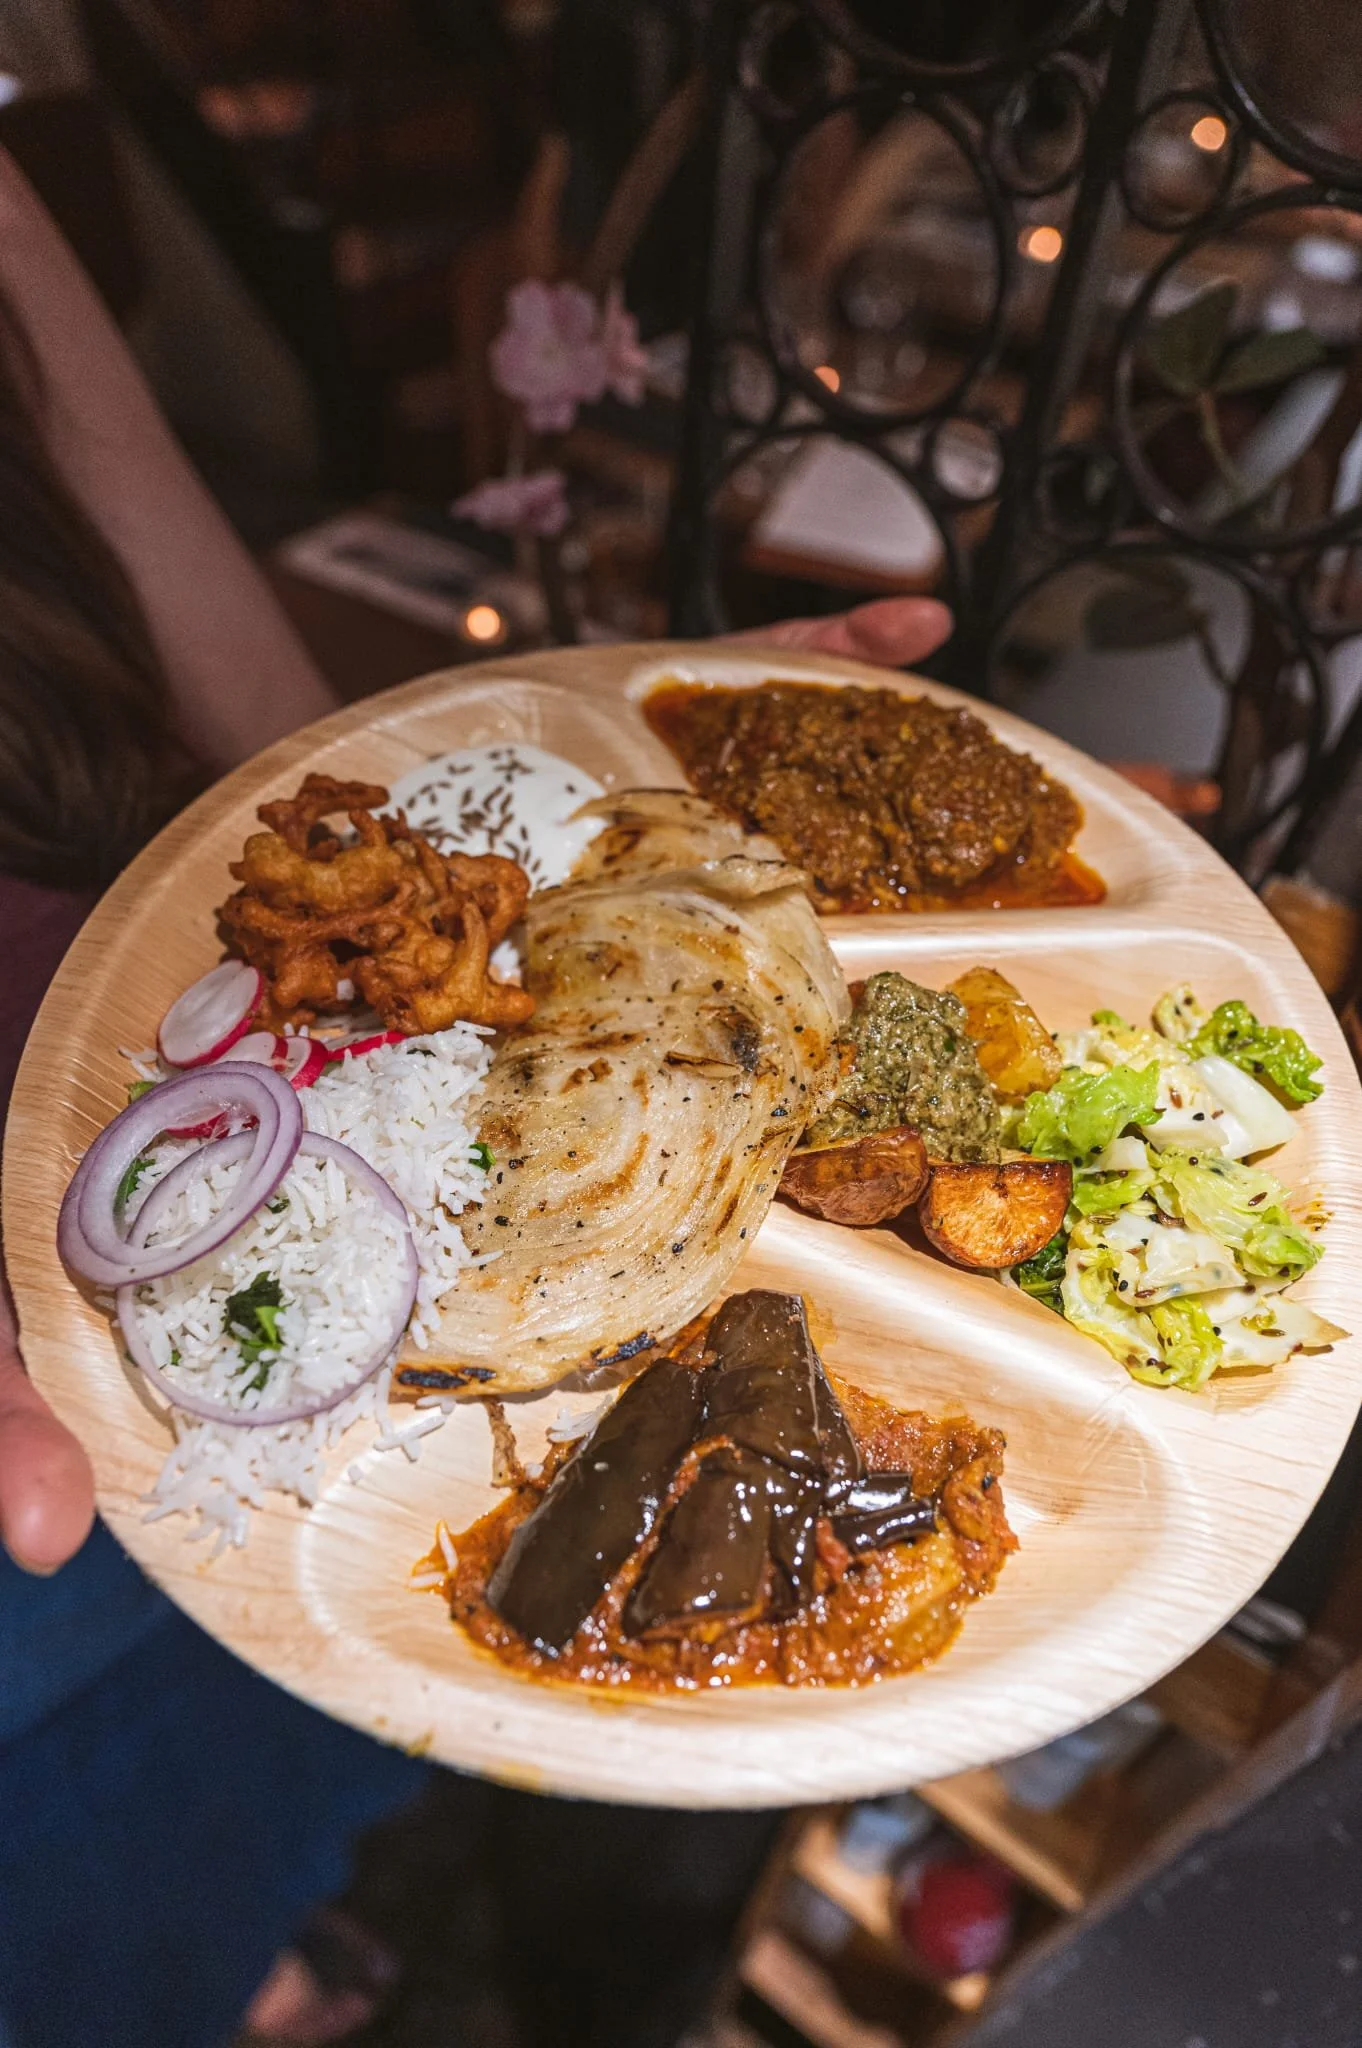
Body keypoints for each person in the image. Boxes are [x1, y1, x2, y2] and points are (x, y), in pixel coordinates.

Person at [0, 147, 953, 2048]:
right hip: (138, 1303)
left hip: (247, 1127)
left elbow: (287, 755)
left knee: (237, 1752)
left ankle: (253, 1943)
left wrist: (637, 797)